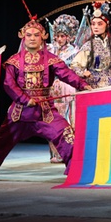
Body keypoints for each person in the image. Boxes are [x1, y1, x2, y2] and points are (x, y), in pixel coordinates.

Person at [0, 19, 93, 177]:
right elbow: (9, 85)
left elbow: (67, 74)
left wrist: (83, 85)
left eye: (36, 35)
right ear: (23, 36)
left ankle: (77, 173)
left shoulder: (51, 59)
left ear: (43, 36)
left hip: (45, 112)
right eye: (29, 35)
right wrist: (26, 99)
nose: (32, 38)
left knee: (67, 136)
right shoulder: (14, 61)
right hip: (19, 113)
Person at [70, 1, 111, 88]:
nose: (95, 27)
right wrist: (83, 73)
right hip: (93, 85)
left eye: (99, 24)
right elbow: (75, 65)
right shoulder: (88, 46)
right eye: (93, 24)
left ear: (107, 25)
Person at [46, 13, 79, 163]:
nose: (59, 39)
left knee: (69, 119)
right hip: (52, 88)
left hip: (67, 88)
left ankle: (70, 151)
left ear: (69, 37)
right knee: (53, 119)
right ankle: (56, 153)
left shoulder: (74, 51)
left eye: (62, 36)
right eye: (57, 36)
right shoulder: (50, 50)